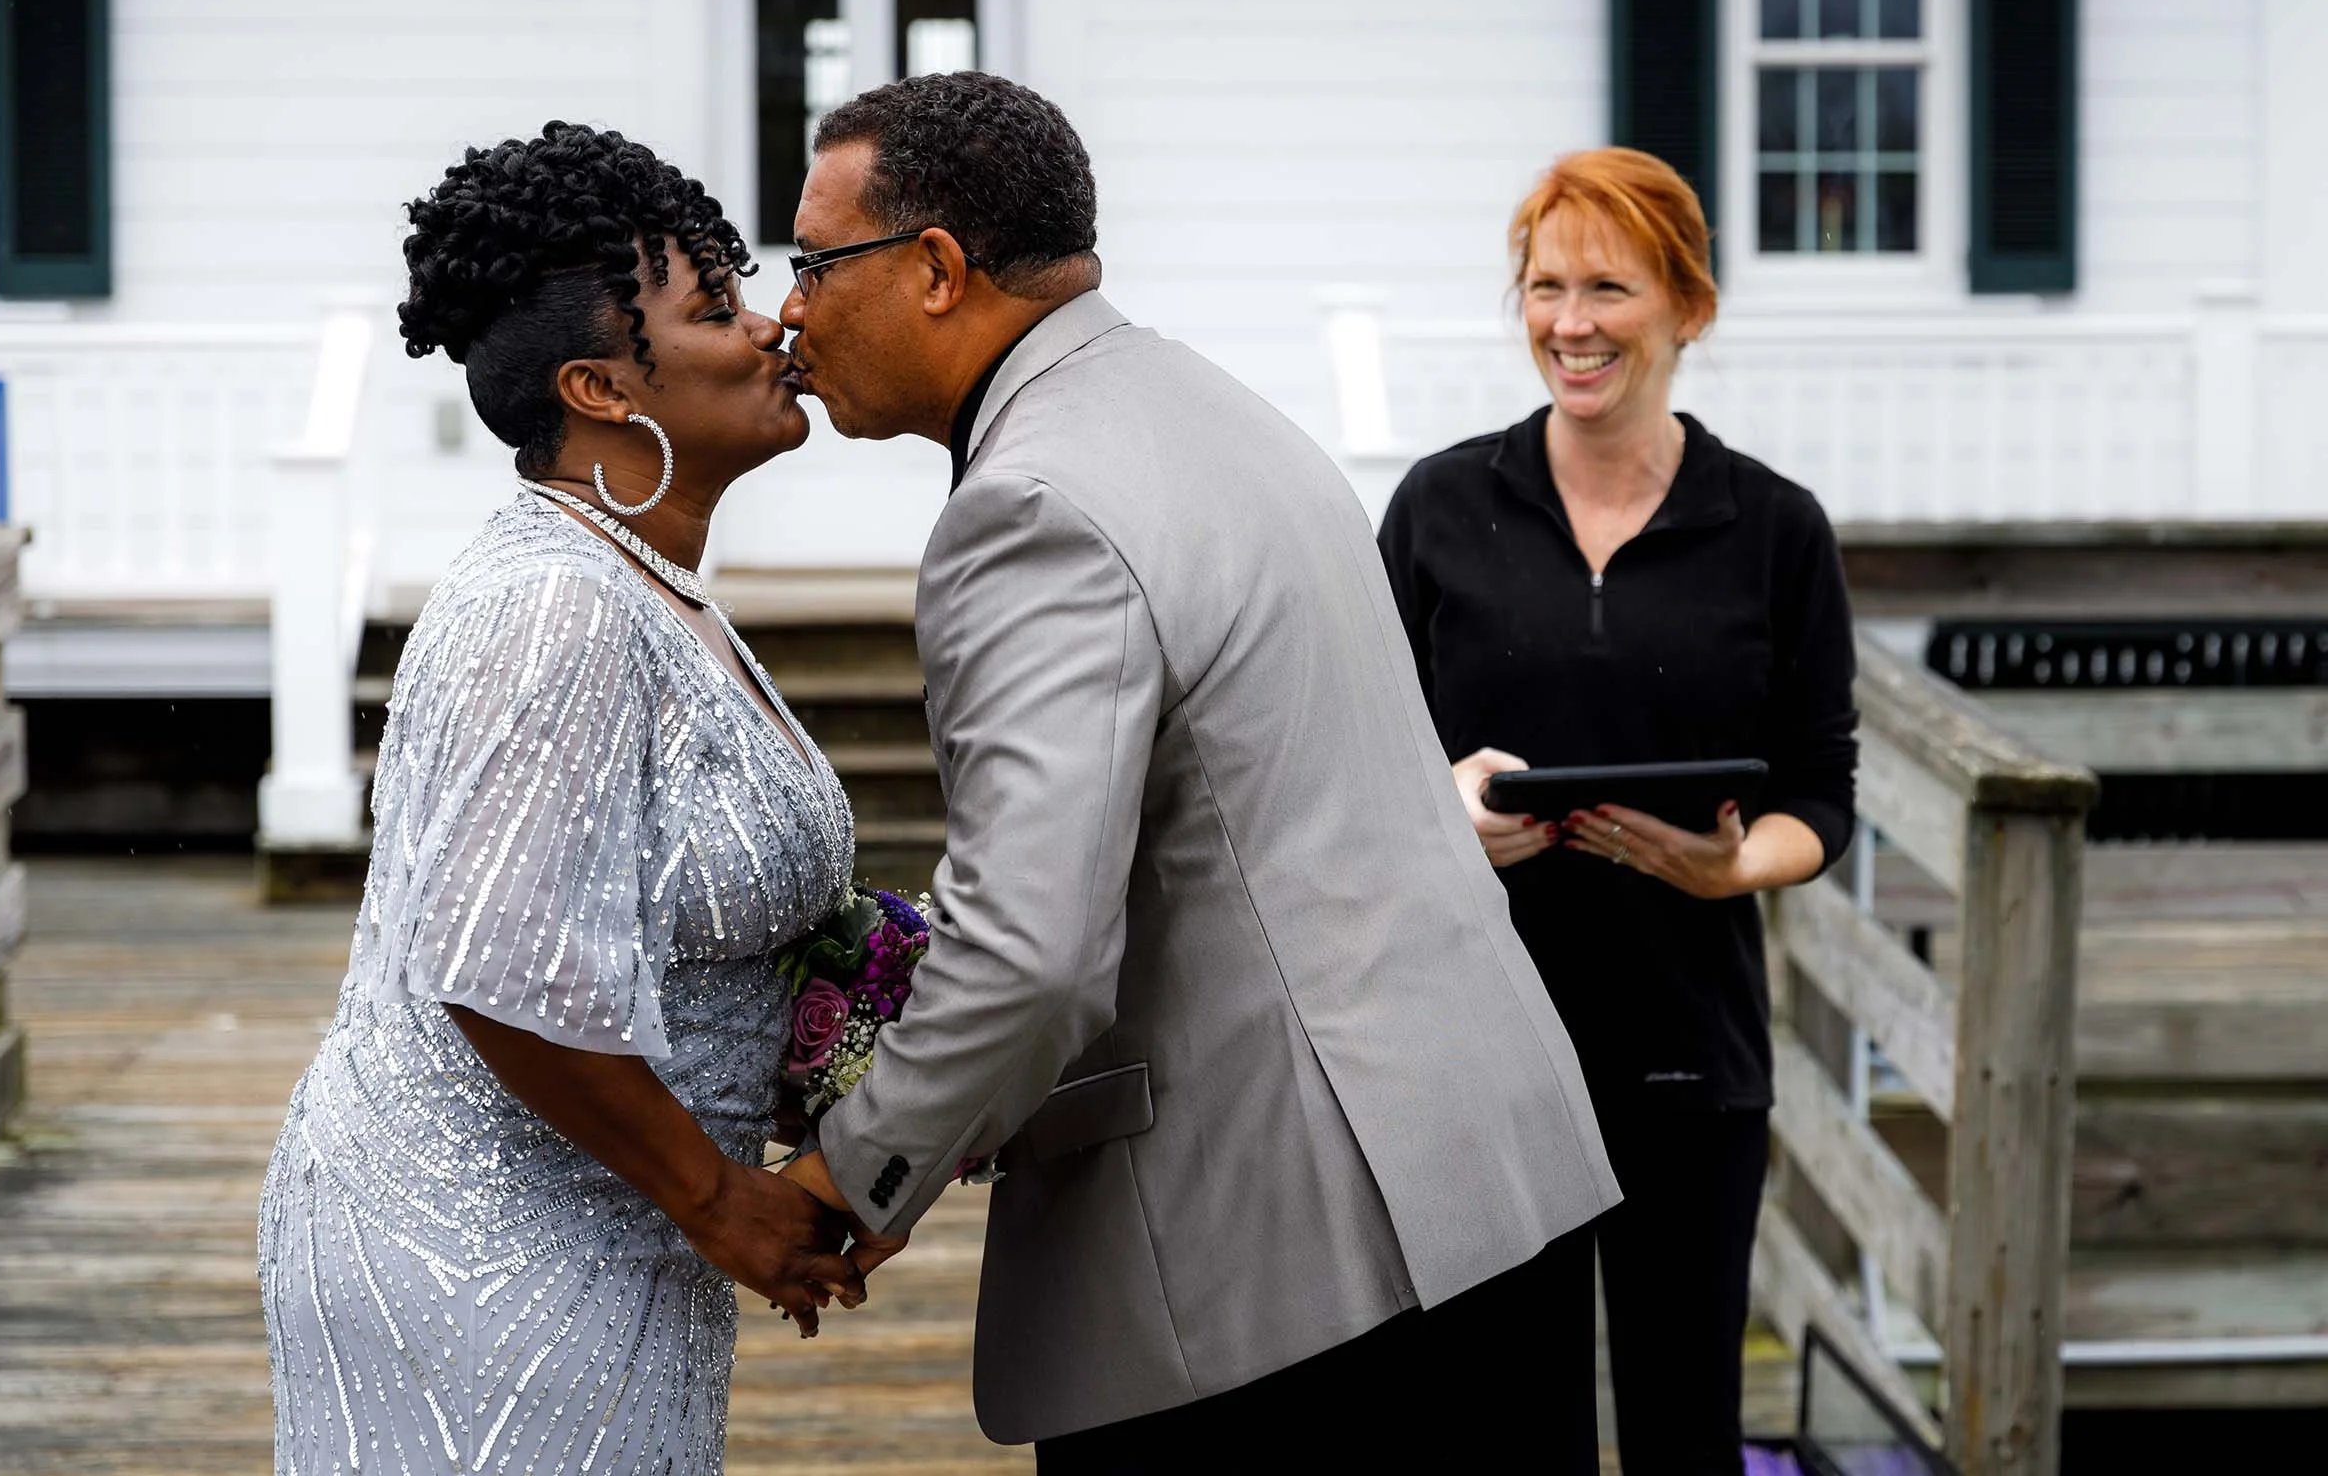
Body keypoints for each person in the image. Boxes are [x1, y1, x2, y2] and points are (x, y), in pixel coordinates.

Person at [768, 71, 1620, 1469]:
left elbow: (1032, 956)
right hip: (1496, 1169)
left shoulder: (1027, 508)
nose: (793, 308)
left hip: (1285, 1267)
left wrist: (845, 1179)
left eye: (815, 262)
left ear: (934, 270)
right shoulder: (1217, 407)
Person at [258, 124, 862, 1476]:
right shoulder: (553, 605)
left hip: (601, 1228)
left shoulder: (641, 580)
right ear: (600, 387)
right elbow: (505, 963)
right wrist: (722, 1205)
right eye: (715, 308)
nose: (772, 330)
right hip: (480, 1252)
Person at [1376, 147, 1861, 1475]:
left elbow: (1823, 791)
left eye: (1609, 287)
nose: (1570, 323)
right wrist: (1441, 810)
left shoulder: (1774, 529)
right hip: (1481, 1053)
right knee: (1503, 1427)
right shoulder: (1438, 509)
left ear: (1687, 307)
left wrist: (1734, 866)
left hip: (1688, 1054)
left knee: (1683, 1423)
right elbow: (1355, 762)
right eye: (1545, 286)